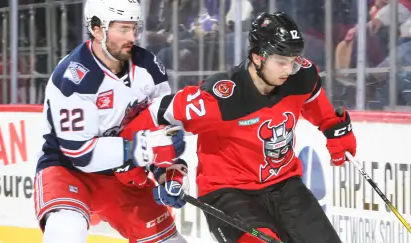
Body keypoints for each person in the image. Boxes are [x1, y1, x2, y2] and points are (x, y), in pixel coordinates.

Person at [131, 12, 357, 243]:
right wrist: (158, 167)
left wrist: (335, 130)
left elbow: (319, 107)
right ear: (258, 57)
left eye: (294, 60)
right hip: (228, 192)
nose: (289, 70)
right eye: (281, 62)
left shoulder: (301, 75)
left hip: (284, 184)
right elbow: (157, 114)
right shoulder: (221, 96)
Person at [33, 0, 189, 242]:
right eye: (123, 29)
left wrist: (167, 172)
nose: (132, 37)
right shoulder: (74, 76)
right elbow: (80, 153)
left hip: (125, 175)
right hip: (69, 172)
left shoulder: (149, 67)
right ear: (97, 29)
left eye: (134, 28)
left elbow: (162, 127)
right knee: (65, 232)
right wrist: (141, 148)